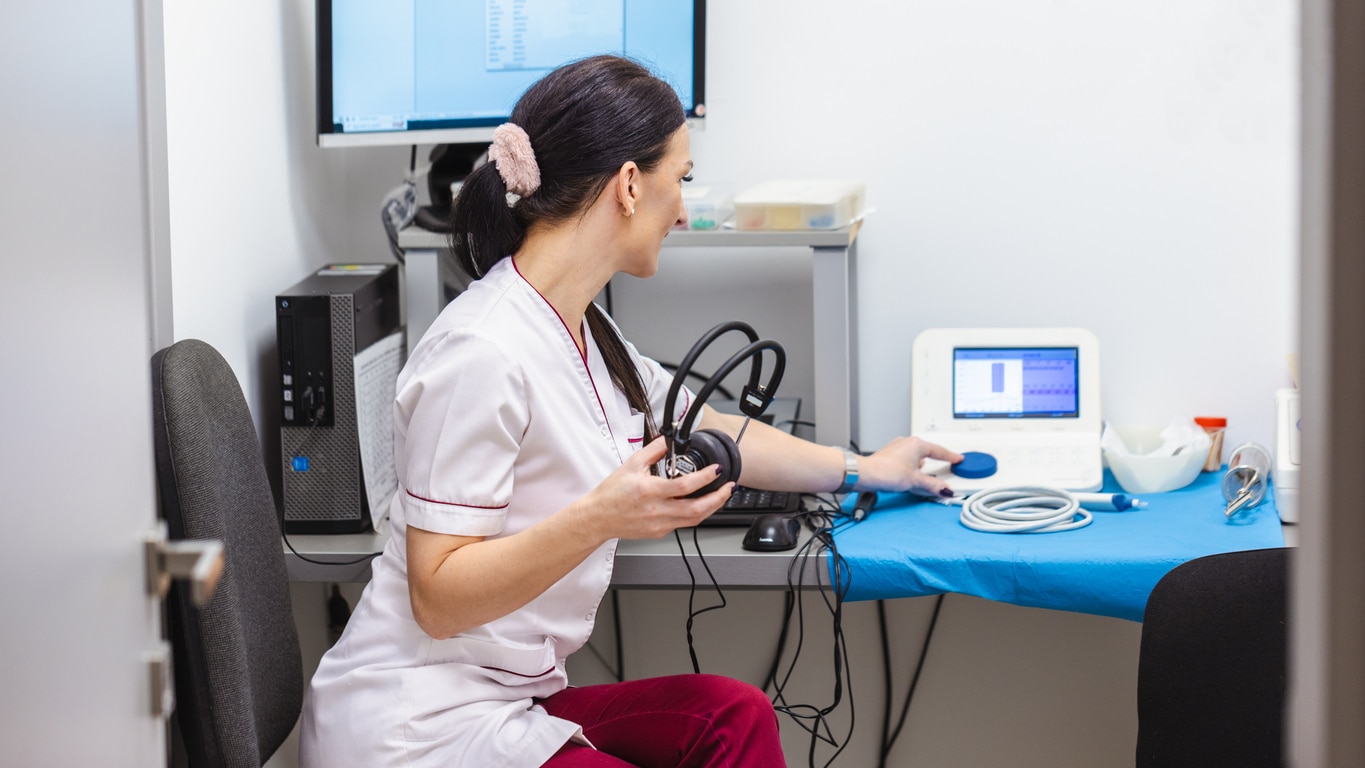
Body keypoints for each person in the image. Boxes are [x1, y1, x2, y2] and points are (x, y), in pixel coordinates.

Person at [299, 54, 962, 768]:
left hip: (504, 698)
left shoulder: (583, 327)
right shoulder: (479, 352)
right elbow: (437, 598)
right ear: (626, 185)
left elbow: (706, 420)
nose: (681, 208)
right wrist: (601, 517)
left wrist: (864, 468)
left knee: (732, 716)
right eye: (678, 180)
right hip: (415, 725)